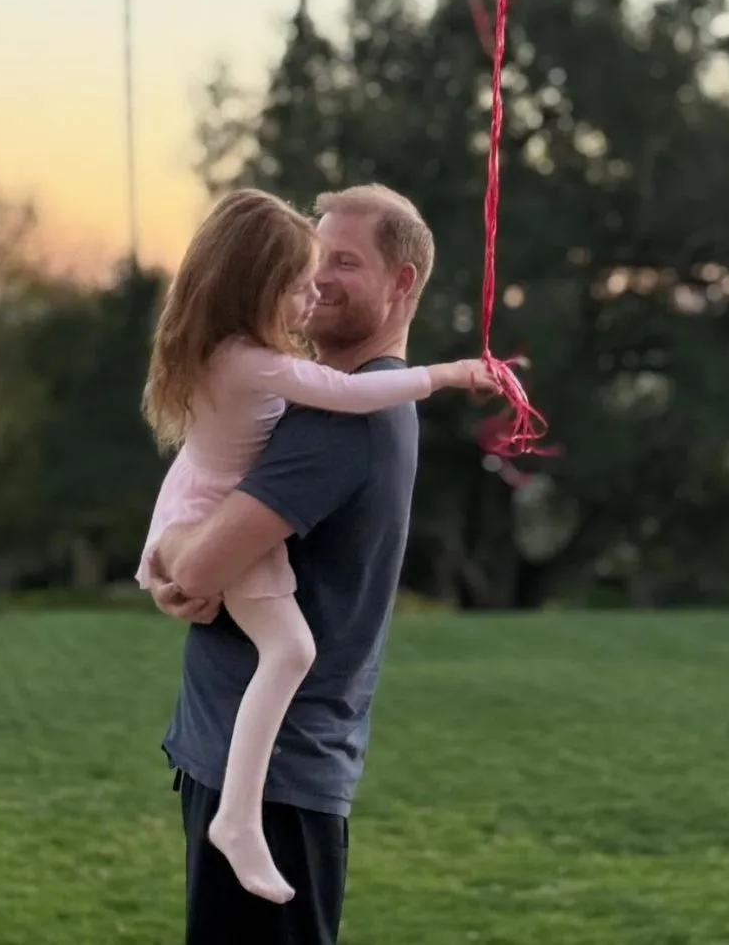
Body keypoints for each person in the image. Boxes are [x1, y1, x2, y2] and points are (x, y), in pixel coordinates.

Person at [142, 186, 489, 930]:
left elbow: (199, 570)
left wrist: (173, 557)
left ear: (402, 283)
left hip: (276, 784)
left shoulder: (346, 420)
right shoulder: (310, 394)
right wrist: (170, 552)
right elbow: (206, 464)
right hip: (251, 761)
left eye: (344, 262)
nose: (318, 278)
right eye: (312, 257)